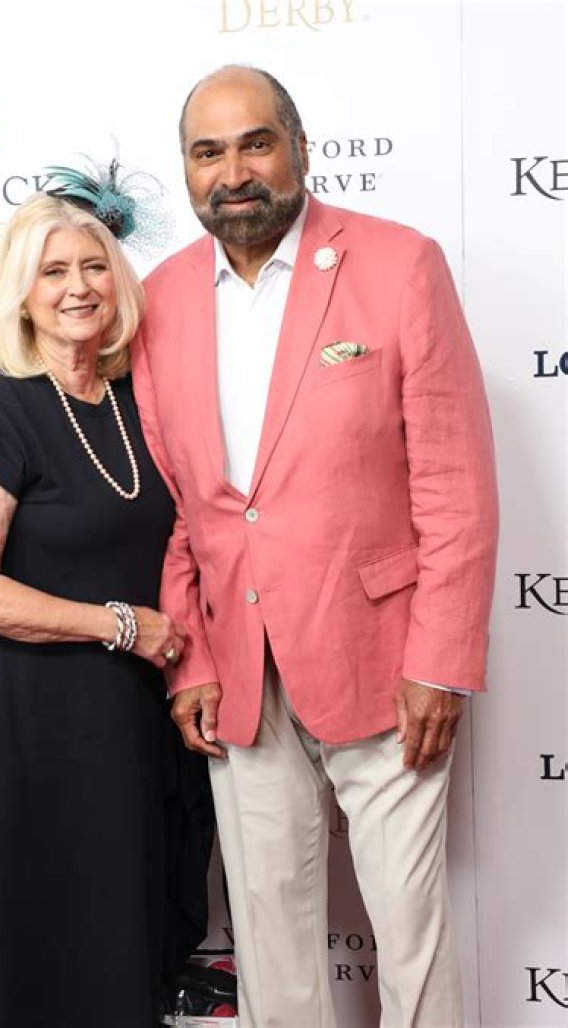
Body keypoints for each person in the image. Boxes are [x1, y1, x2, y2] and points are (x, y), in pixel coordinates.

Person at [131, 65, 499, 1028]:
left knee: (410, 932)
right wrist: (189, 661)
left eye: (256, 143)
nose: (233, 172)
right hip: (237, 668)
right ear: (186, 169)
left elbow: (456, 484)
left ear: (298, 147)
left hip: (386, 659)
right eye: (208, 153)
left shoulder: (399, 264)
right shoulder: (160, 299)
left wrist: (441, 661)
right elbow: (175, 508)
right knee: (268, 934)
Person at [0, 169, 187, 1028]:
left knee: (122, 924)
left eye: (94, 266)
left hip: (132, 712)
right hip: (29, 719)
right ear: (22, 291)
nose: (79, 288)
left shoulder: (139, 402)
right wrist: (121, 626)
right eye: (54, 271)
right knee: (35, 922)